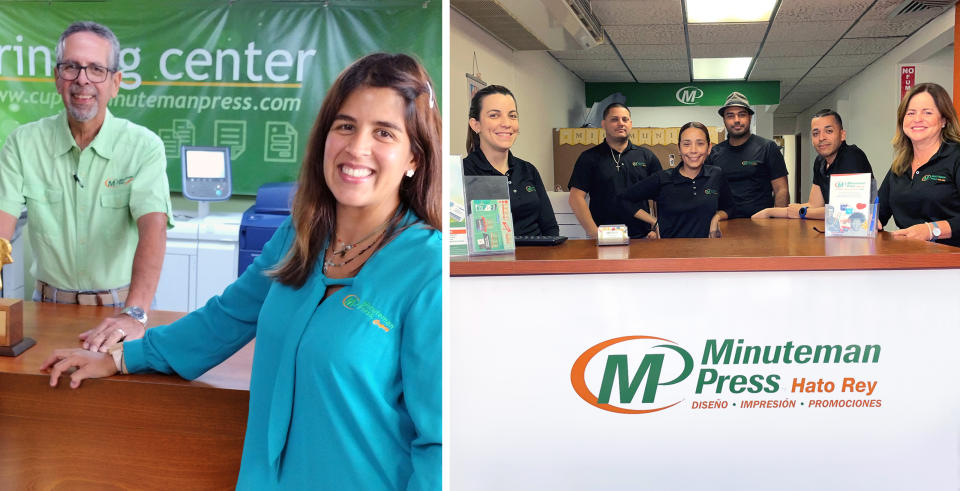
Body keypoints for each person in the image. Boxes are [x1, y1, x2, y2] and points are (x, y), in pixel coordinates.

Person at [41, 52, 441, 489]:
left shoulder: (427, 269)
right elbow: (224, 319)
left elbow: (438, 442)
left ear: (414, 158)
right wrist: (119, 358)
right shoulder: (299, 235)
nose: (356, 147)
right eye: (345, 126)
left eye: (384, 132)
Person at [0, 21, 172, 347]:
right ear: (57, 77)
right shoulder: (23, 143)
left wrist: (134, 313)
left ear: (115, 82)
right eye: (71, 67)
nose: (82, 79)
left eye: (96, 69)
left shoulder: (143, 146)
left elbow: (154, 229)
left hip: (121, 309)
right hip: (46, 307)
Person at [462, 85, 559, 236]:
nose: (506, 123)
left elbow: (550, 227)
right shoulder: (462, 173)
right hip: (490, 258)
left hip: (537, 257)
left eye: (512, 116)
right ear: (476, 125)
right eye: (494, 115)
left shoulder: (528, 170)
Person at [878, 82, 960, 247]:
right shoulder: (899, 165)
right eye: (911, 113)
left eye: (927, 112)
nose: (917, 119)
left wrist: (931, 230)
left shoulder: (956, 157)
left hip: (952, 262)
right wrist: (866, 221)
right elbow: (878, 211)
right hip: (910, 258)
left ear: (944, 119)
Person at [618, 122, 733, 238]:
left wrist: (716, 218)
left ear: (709, 148)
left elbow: (730, 208)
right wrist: (654, 222)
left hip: (706, 252)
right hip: (671, 252)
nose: (693, 150)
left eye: (700, 143)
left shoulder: (716, 175)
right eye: (686, 144)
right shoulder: (663, 178)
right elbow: (624, 199)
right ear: (679, 148)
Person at [753, 109, 873, 220]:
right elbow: (814, 205)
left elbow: (848, 211)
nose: (821, 138)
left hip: (858, 235)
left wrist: (802, 212)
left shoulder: (852, 157)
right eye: (816, 133)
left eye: (829, 131)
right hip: (834, 233)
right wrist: (769, 212)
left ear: (842, 135)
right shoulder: (820, 162)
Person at [568, 103, 662, 238]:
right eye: (614, 119)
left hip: (642, 236)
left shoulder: (646, 156)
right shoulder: (589, 158)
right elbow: (575, 197)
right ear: (603, 124)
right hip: (603, 236)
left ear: (630, 123)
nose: (620, 123)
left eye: (625, 119)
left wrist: (657, 225)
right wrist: (593, 232)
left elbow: (661, 196)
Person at [707, 91, 789, 218]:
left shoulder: (767, 148)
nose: (737, 120)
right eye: (730, 116)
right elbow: (708, 190)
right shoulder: (714, 153)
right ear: (724, 120)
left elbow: (781, 190)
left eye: (742, 115)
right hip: (725, 223)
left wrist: (778, 223)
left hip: (760, 224)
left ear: (750, 117)